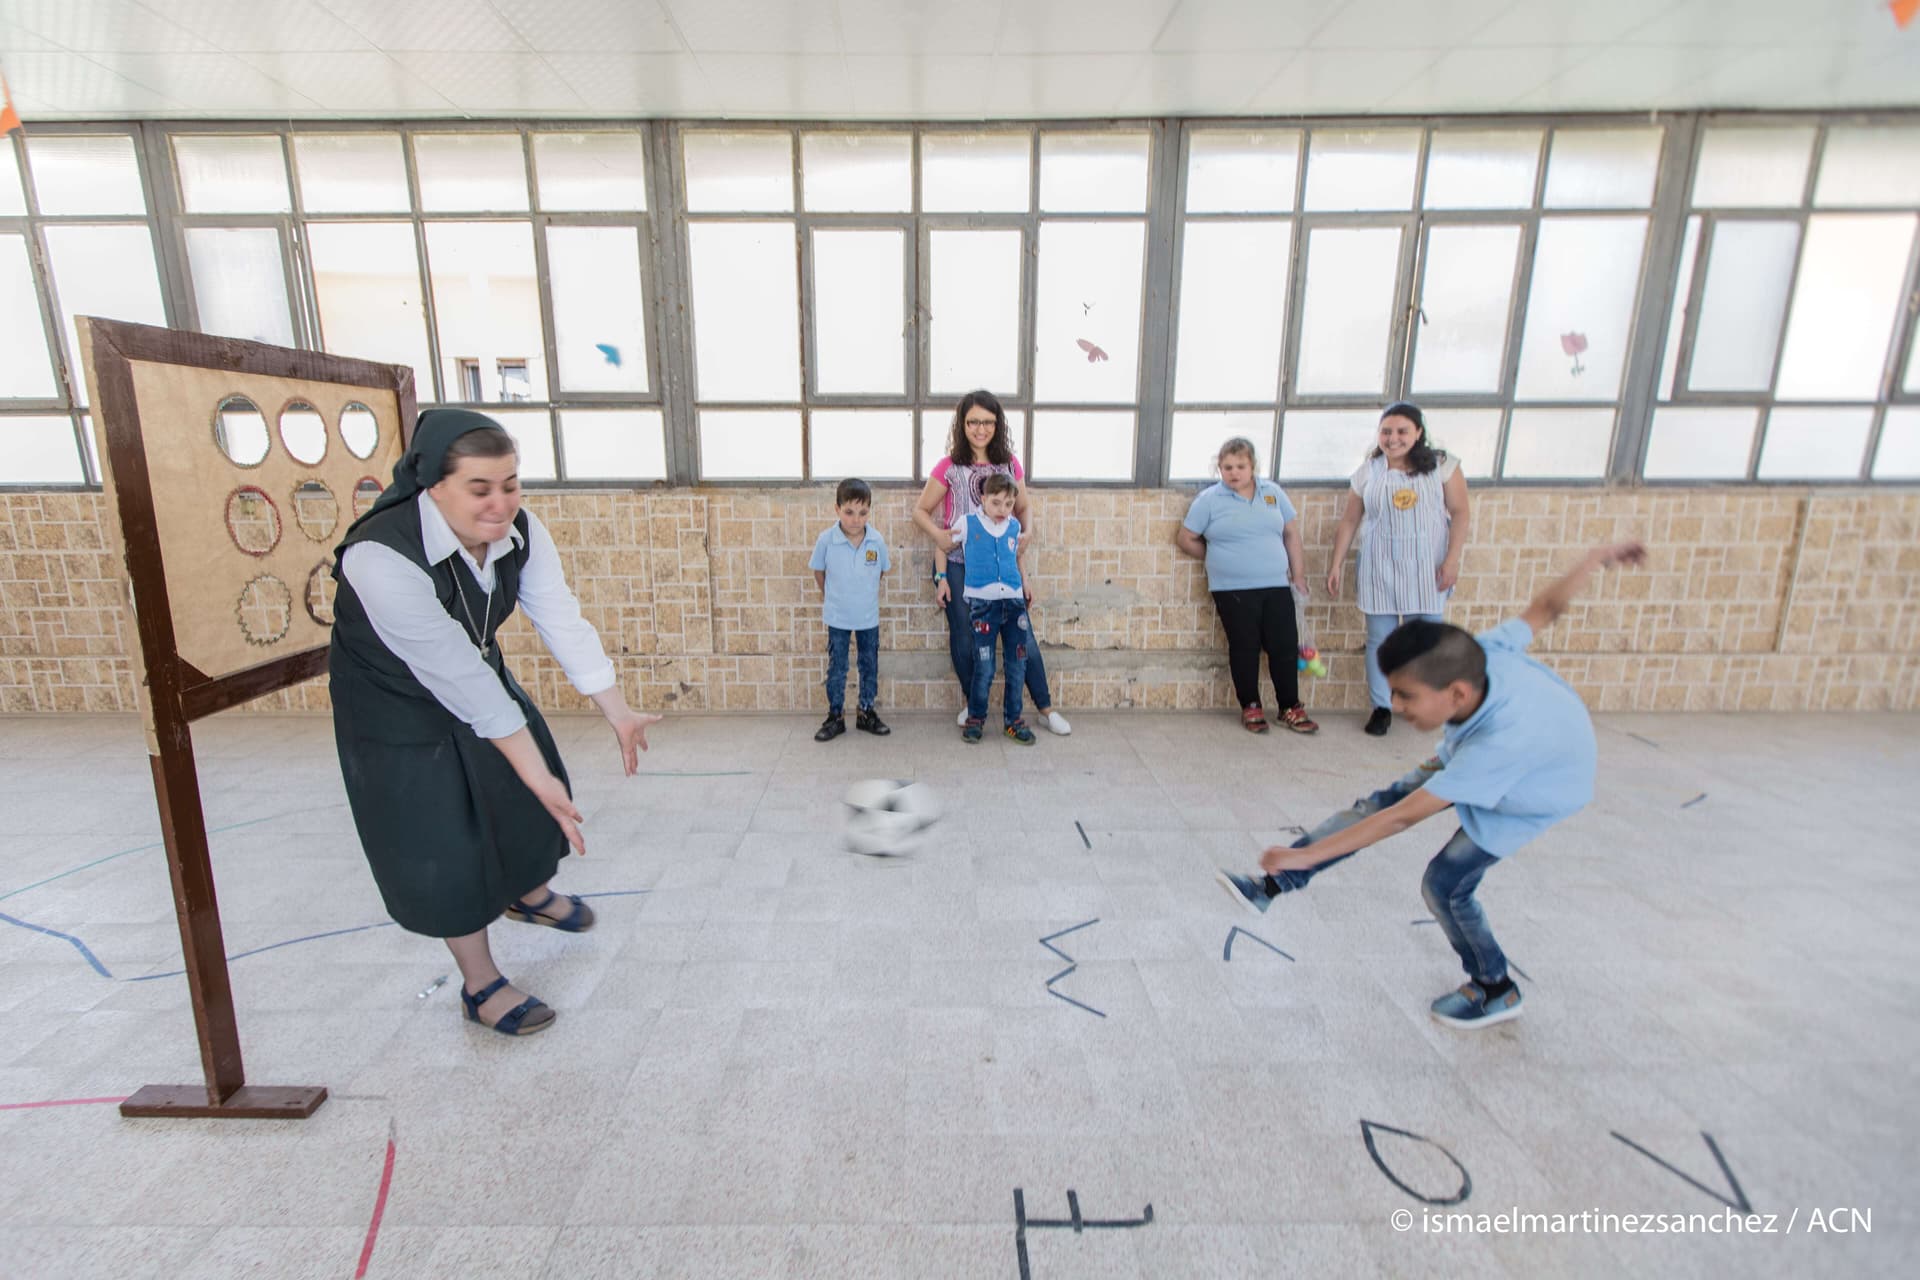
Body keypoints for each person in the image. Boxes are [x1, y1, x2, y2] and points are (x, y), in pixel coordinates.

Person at [1216, 542, 1649, 1029]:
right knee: (1378, 802)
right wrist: (1594, 559)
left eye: (1406, 696)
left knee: (1445, 885)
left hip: (1536, 787)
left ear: (1457, 694)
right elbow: (1545, 608)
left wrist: (1306, 853)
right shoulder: (1478, 655)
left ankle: (1495, 988)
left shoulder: (1498, 747)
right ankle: (1275, 883)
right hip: (1495, 745)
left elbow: (1401, 820)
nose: (1397, 706)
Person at [329, 409, 660, 1038]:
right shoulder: (379, 557)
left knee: (523, 799)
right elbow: (461, 680)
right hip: (397, 708)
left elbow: (560, 617)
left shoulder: (521, 531)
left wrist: (617, 710)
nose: (500, 503)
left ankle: (525, 894)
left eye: (510, 484)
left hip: (477, 676)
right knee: (445, 840)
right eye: (479, 488)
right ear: (433, 485)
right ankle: (480, 985)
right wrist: (534, 773)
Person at [912, 391, 1070, 737]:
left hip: (1004, 569)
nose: (980, 429)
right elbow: (920, 511)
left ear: (997, 425)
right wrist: (939, 539)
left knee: (1024, 638)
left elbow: (1023, 508)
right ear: (962, 425)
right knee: (965, 636)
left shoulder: (1009, 465)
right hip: (958, 565)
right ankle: (974, 704)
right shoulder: (949, 466)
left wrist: (1028, 534)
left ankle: (1046, 708)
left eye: (987, 422)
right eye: (973, 422)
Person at [1327, 402, 1471, 737]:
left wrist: (1452, 560)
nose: (1393, 439)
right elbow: (1350, 521)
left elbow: (1461, 512)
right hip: (1379, 566)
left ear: (1418, 433)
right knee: (1381, 640)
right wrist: (1336, 564)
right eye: (1386, 432)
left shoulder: (1442, 466)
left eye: (1402, 431)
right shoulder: (1368, 472)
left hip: (1427, 568)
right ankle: (1382, 707)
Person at [1174, 437, 1318, 734]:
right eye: (1227, 467)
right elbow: (1185, 538)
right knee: (1245, 646)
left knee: (1283, 645)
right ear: (1219, 468)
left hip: (1276, 584)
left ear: (1253, 466)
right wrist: (1216, 557)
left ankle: (1290, 707)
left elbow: (1291, 534)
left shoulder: (1273, 493)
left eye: (1240, 466)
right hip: (1232, 589)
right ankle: (1251, 706)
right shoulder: (1209, 500)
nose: (1234, 473)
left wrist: (1299, 576)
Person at [948, 473, 1035, 743]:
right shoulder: (967, 522)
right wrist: (941, 578)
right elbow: (942, 545)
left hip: (1014, 603)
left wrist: (1025, 582)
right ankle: (976, 719)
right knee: (984, 665)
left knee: (1017, 664)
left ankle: (1013, 721)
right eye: (996, 503)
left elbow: (1017, 556)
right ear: (983, 499)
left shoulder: (1014, 526)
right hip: (983, 607)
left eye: (1009, 504)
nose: (1003, 510)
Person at [809, 477, 891, 742]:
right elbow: (819, 572)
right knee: (838, 667)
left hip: (868, 617)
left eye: (863, 512)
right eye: (849, 512)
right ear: (837, 509)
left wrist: (862, 595)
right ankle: (835, 716)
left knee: (869, 665)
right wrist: (832, 596)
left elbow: (880, 573)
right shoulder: (826, 540)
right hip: (838, 617)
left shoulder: (876, 541)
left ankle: (866, 711)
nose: (856, 519)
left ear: (869, 511)